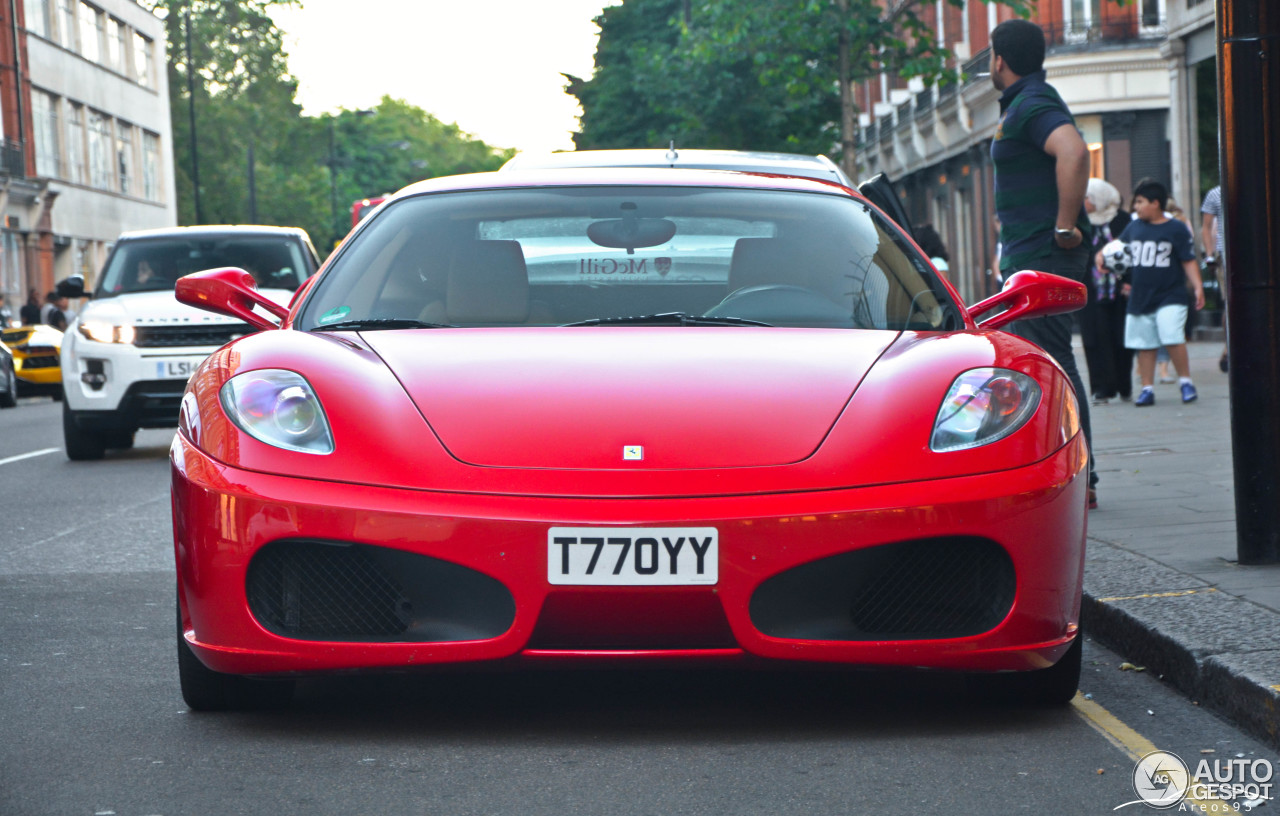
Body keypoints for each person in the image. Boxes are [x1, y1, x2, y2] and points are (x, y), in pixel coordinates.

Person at [989, 18, 1098, 507]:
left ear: (999, 61)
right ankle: (1069, 472)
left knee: (1052, 364)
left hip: (1042, 253)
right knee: (1046, 361)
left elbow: (1073, 152)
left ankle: (1080, 477)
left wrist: (1062, 227)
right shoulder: (1027, 102)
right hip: (1031, 251)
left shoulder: (1031, 103)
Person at [1119, 179, 1204, 407]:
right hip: (1140, 297)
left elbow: (1188, 259)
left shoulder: (1175, 228)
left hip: (1171, 294)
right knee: (1145, 344)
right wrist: (1103, 259)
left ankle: (1185, 382)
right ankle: (1147, 389)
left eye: (1140, 202)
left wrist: (1198, 287)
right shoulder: (1133, 228)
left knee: (1172, 335)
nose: (1136, 207)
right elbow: (1118, 252)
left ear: (1155, 203)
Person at [1080, 178, 1133, 404]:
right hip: (1092, 291)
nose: (1083, 202)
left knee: (1121, 338)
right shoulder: (1081, 222)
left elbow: (1133, 252)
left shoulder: (1123, 220)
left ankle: (1124, 385)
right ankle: (1101, 388)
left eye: (1087, 197)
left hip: (1121, 290)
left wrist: (1130, 281)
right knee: (1094, 339)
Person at [1200, 184, 1227, 372]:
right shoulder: (1216, 193)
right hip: (1226, 257)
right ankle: (1229, 346)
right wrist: (1209, 255)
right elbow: (1207, 226)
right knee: (1230, 303)